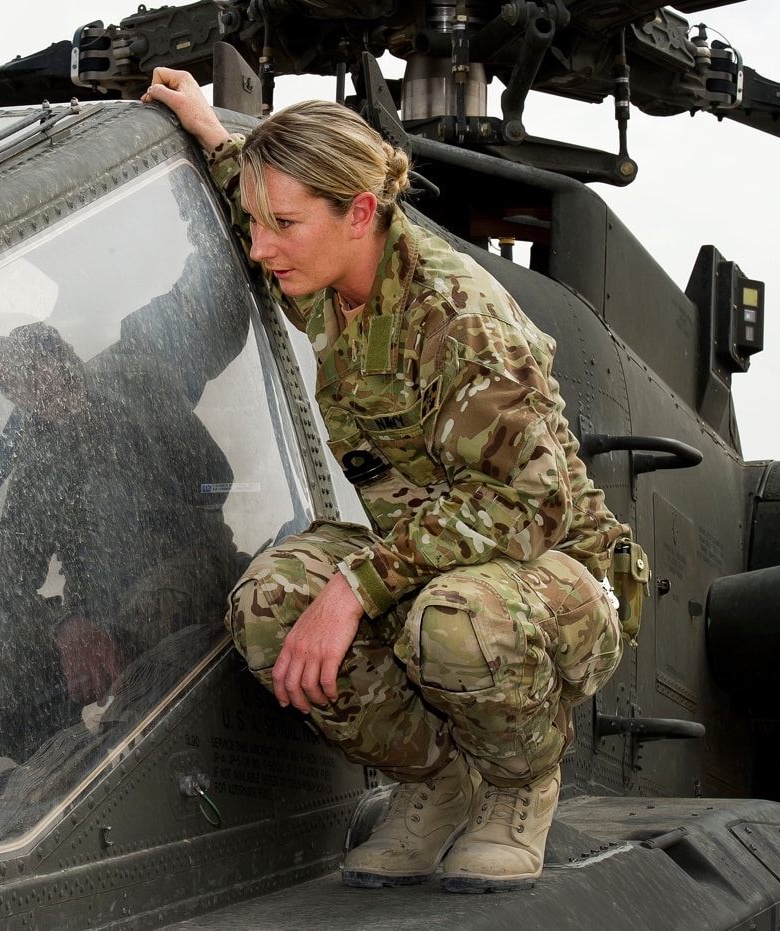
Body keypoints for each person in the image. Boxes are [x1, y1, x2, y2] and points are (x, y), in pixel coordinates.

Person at [142, 70, 631, 893]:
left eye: (283, 226)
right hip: (434, 551)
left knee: (453, 624)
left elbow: (525, 504)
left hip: (550, 574)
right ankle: (439, 781)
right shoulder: (327, 274)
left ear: (359, 212)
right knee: (268, 609)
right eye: (257, 224)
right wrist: (210, 130)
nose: (261, 248)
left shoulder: (458, 317)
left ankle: (519, 784)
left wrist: (356, 586)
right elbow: (263, 189)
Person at [0, 321, 242, 764]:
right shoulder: (37, 473)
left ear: (65, 352)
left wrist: (169, 531)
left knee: (153, 618)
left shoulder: (140, 385)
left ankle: (144, 753)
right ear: (10, 395)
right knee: (2, 701)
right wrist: (66, 629)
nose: (41, 380)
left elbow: (215, 480)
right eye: (20, 377)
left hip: (193, 567)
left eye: (43, 360)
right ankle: (79, 773)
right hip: (100, 615)